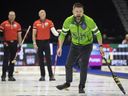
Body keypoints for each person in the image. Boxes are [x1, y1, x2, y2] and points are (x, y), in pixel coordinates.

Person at [56, 3, 104, 93]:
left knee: (83, 65)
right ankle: (67, 82)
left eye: (80, 11)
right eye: (76, 11)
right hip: (74, 45)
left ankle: (81, 86)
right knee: (68, 64)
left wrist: (100, 46)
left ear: (83, 12)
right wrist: (60, 47)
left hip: (87, 45)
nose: (78, 13)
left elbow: (98, 33)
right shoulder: (68, 21)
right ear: (73, 11)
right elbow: (62, 34)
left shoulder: (89, 21)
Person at [32, 9, 59, 81]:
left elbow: (54, 32)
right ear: (39, 15)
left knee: (48, 60)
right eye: (41, 12)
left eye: (43, 12)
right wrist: (34, 43)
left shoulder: (49, 22)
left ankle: (51, 76)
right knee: (40, 60)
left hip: (47, 42)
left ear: (45, 14)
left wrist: (59, 33)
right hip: (39, 43)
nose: (42, 13)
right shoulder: (36, 23)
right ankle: (42, 76)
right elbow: (34, 34)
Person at [0, 11, 22, 81]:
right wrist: (3, 42)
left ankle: (10, 76)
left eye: (13, 15)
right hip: (7, 43)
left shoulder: (18, 25)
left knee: (13, 60)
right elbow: (0, 34)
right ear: (8, 16)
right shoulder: (3, 24)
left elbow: (19, 36)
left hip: (14, 44)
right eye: (10, 15)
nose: (12, 17)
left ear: (15, 16)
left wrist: (20, 44)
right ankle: (3, 76)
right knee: (5, 60)